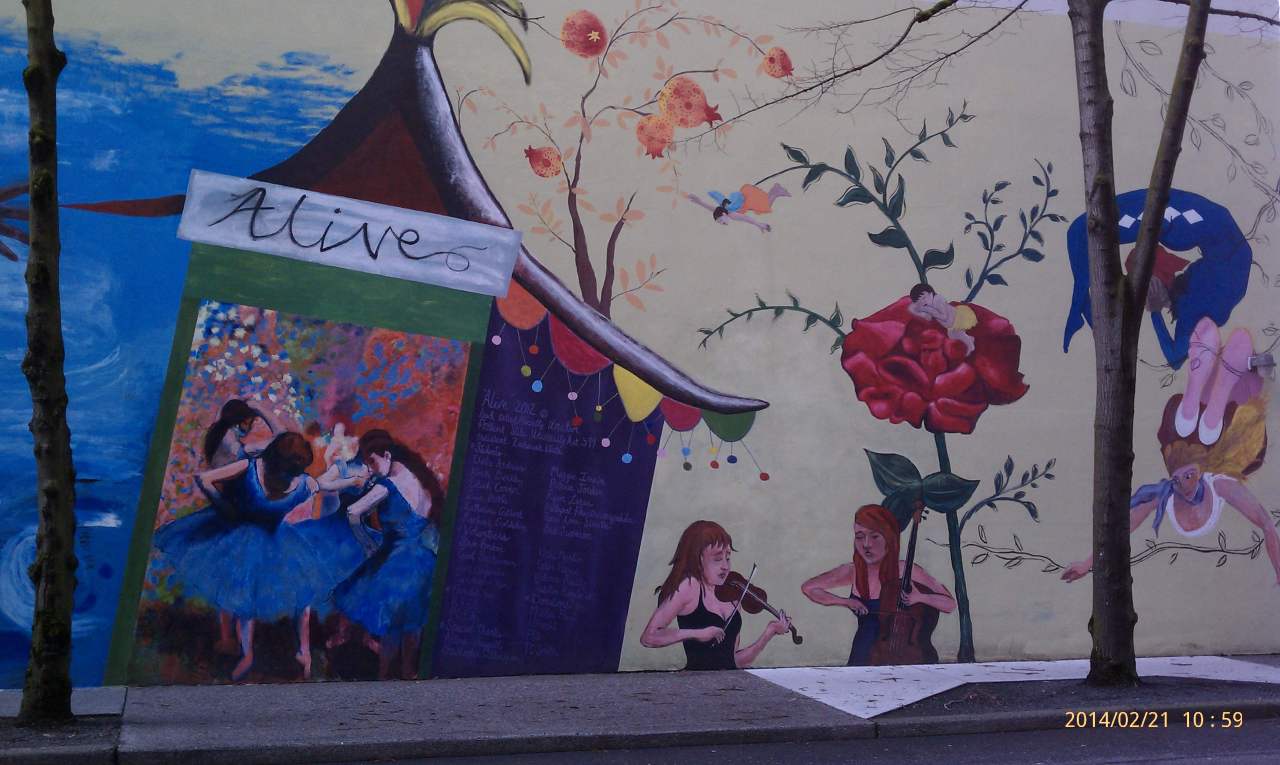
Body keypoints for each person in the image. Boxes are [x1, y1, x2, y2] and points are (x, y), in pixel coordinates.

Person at [154, 432, 358, 680]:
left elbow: (204, 480)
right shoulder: (268, 472)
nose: (287, 477)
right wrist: (224, 508)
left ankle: (296, 652)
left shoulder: (274, 474)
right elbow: (204, 479)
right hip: (244, 540)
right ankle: (255, 653)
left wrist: (348, 479)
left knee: (294, 595)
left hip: (271, 542)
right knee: (248, 597)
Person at [1063, 391, 1278, 585]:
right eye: (1176, 478)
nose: (1183, 483)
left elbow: (1266, 523)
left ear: (1200, 472)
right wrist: (1086, 564)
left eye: (1189, 475)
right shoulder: (1163, 495)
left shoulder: (1220, 485)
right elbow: (1122, 529)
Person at [1062, 188, 1252, 369]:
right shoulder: (1192, 309)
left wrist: (1155, 312)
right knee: (1081, 231)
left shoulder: (1189, 315)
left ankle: (1082, 312)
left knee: (1080, 231)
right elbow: (1175, 358)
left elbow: (1175, 359)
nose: (1143, 301)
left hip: (1211, 230)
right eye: (1145, 290)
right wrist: (1155, 309)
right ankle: (1082, 312)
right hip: (1212, 228)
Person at [330, 429, 444, 680]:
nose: (370, 468)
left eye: (372, 462)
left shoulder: (386, 486)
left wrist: (368, 544)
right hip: (421, 559)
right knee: (411, 622)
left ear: (387, 455)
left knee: (393, 624)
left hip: (397, 561)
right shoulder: (416, 476)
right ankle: (407, 671)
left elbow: (353, 513)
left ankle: (384, 675)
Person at [801, 504, 955, 666]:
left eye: (874, 536)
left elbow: (950, 604)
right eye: (860, 536)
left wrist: (920, 597)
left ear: (889, 539)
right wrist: (846, 602)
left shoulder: (905, 569)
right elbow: (809, 588)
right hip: (862, 654)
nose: (866, 544)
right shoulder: (853, 571)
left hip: (904, 654)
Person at [639, 520, 791, 670]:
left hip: (727, 683)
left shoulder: (732, 598)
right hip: (695, 682)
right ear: (698, 559)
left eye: (728, 558)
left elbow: (735, 661)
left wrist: (769, 633)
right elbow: (649, 637)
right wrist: (697, 633)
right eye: (718, 559)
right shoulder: (690, 586)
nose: (725, 566)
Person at [907, 283, 977, 355]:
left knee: (959, 334)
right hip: (951, 324)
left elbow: (944, 316)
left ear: (931, 293)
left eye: (924, 298)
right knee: (952, 335)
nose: (924, 301)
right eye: (920, 301)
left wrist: (932, 311)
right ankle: (969, 339)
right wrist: (923, 311)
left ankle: (970, 346)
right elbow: (915, 309)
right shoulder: (930, 303)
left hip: (957, 319)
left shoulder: (938, 300)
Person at [203, 399, 275, 467]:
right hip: (225, 471)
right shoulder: (227, 435)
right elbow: (240, 454)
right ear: (238, 422)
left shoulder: (226, 430)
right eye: (248, 423)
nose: (249, 427)